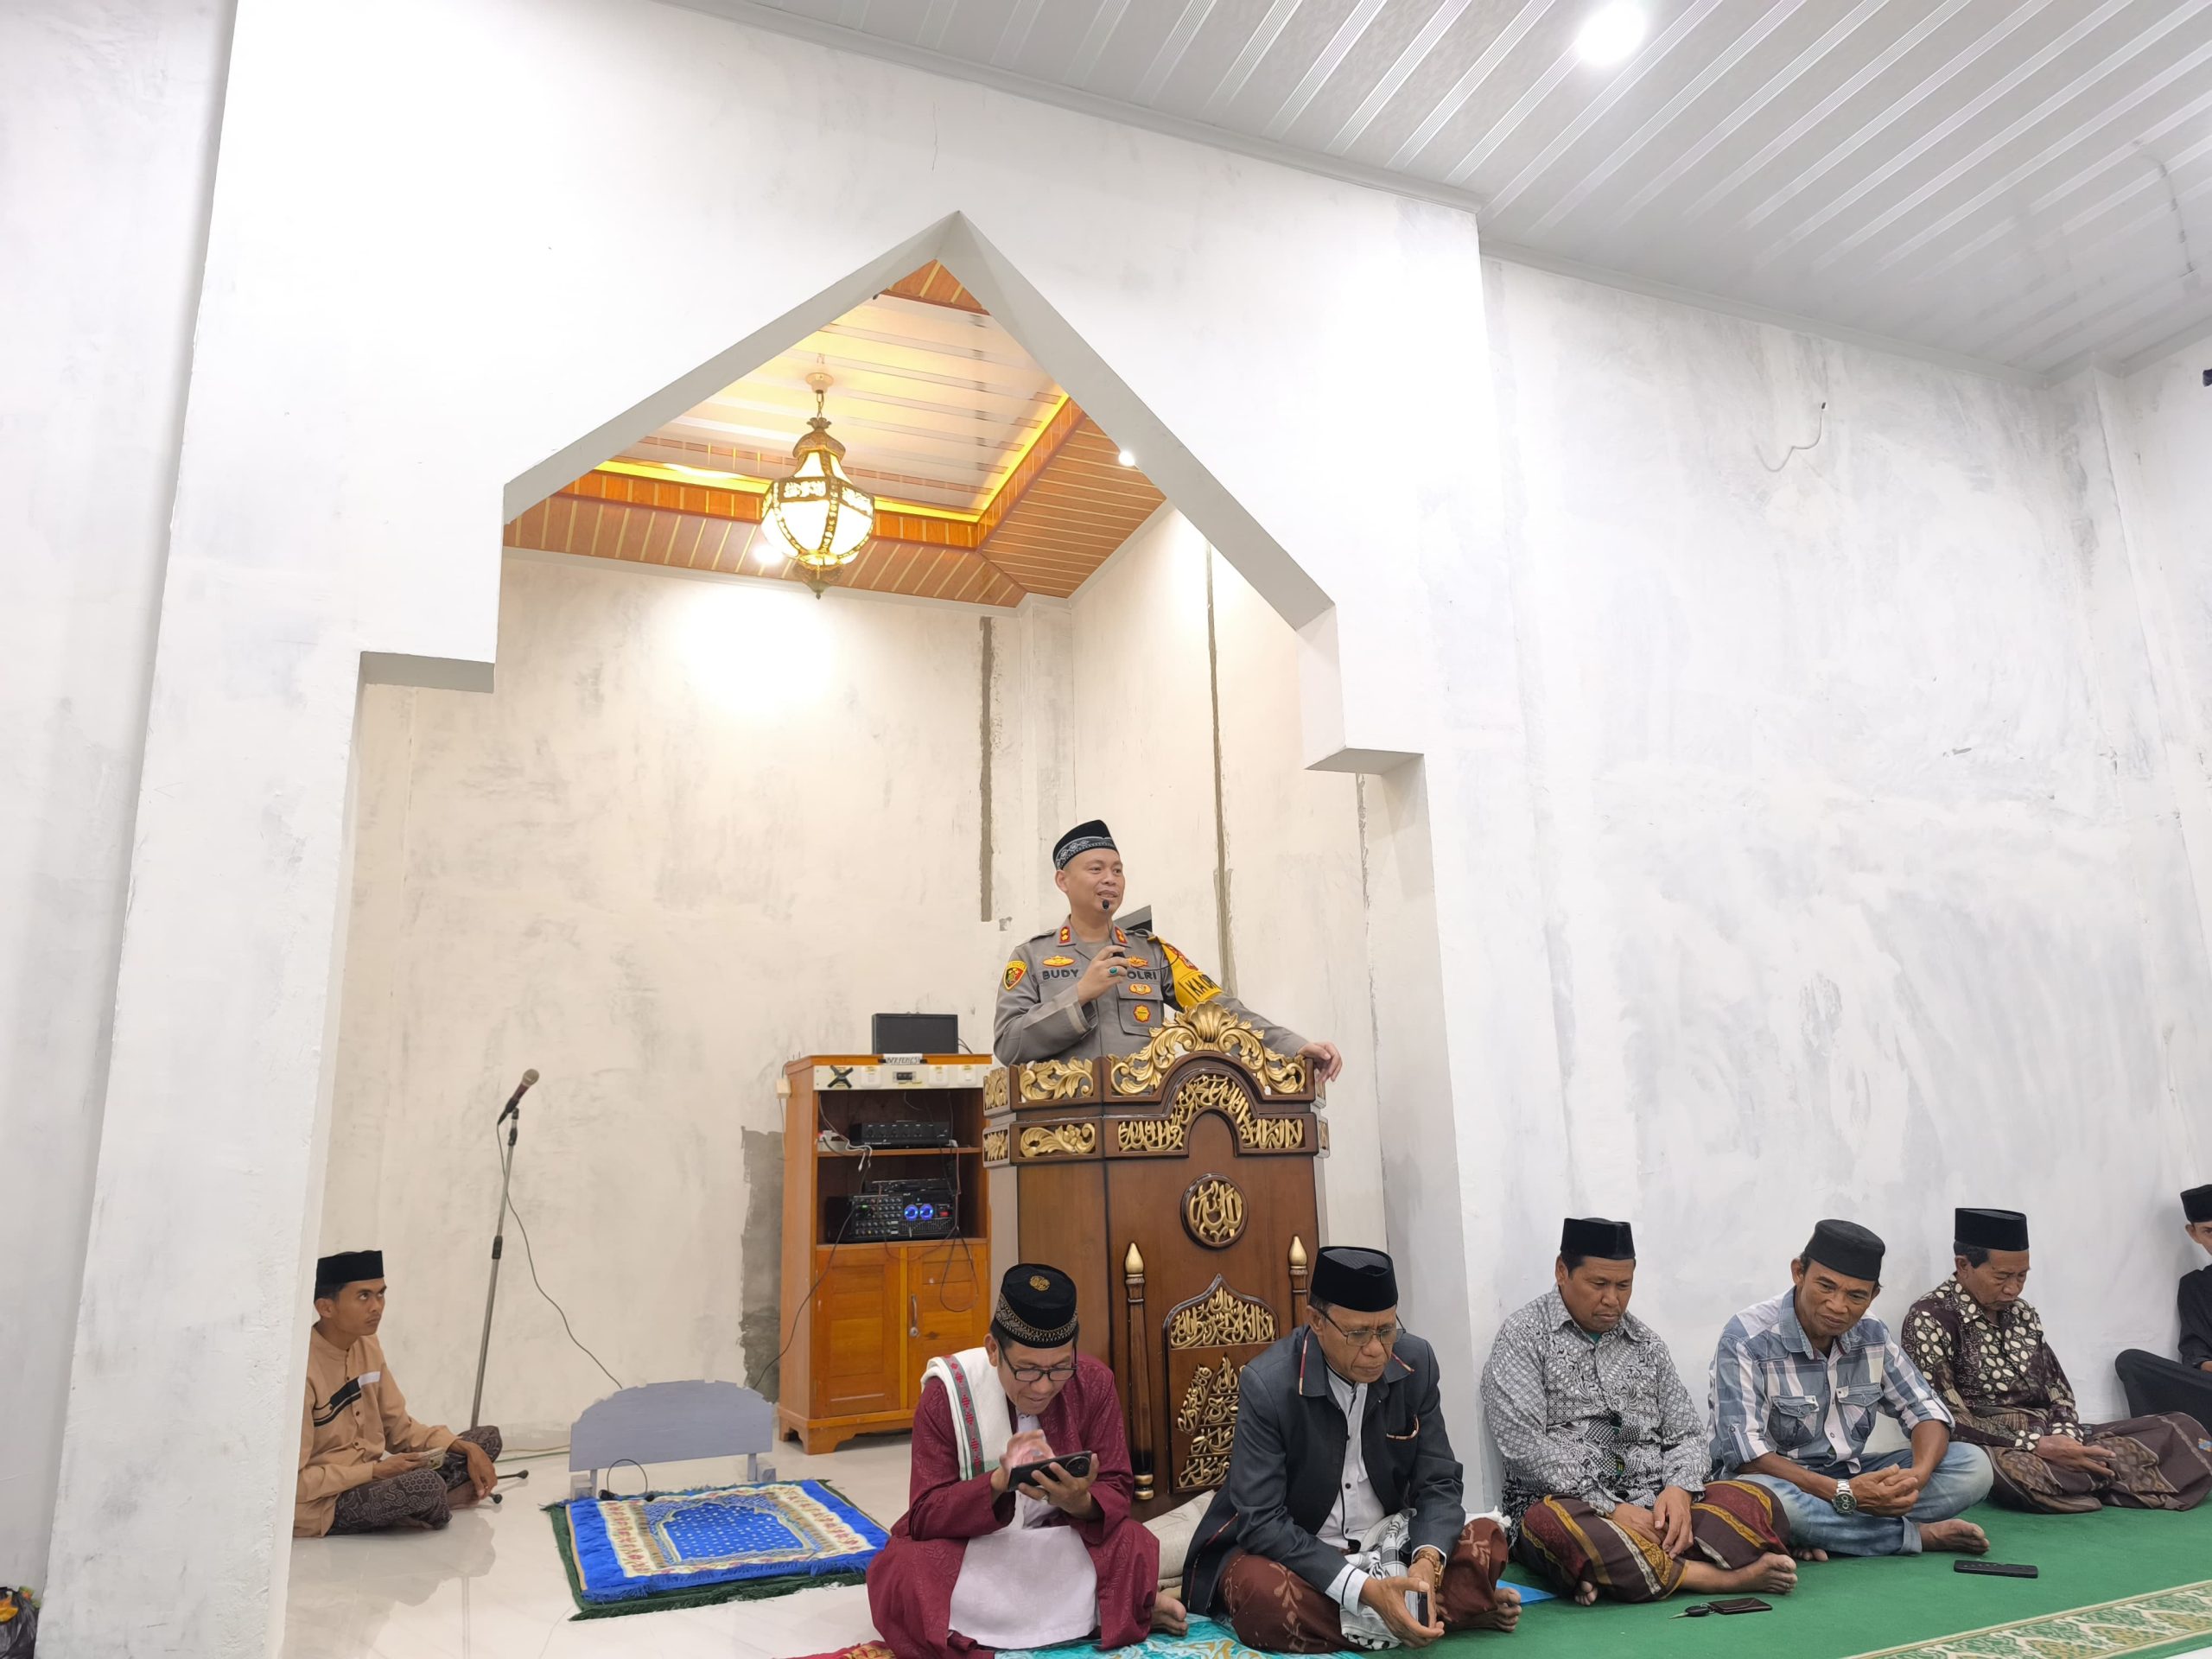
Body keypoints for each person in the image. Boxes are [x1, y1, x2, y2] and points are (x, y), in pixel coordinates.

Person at [1182, 1247, 1519, 1651]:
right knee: (1262, 1596)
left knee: (1486, 1540)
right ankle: (1436, 1614)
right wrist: (1365, 1591)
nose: (1376, 1349)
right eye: (1358, 1334)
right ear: (1316, 1322)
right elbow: (1263, 1521)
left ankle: (1409, 1609)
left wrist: (1426, 1565)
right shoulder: (1269, 1384)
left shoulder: (1415, 1362)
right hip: (1303, 1553)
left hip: (1390, 1540)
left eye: (1386, 1329)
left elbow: (1439, 1481)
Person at [867, 1263, 1179, 1659]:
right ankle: (1112, 1611)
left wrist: (1079, 1501)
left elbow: (1118, 1487)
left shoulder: (1094, 1382)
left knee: (1130, 1542)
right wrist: (997, 1483)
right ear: (993, 1350)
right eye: (1028, 1370)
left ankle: (1104, 1610)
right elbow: (925, 1515)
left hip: (1060, 1541)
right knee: (905, 1570)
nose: (1044, 1386)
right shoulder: (947, 1393)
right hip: (975, 1550)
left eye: (1060, 1368)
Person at [1483, 1217, 1795, 1605]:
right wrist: (1611, 1508)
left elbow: (1686, 1434)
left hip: (1655, 1503)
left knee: (1759, 1501)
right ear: (1562, 1271)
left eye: (1623, 1285)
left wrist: (1679, 1491)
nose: (1612, 1299)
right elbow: (1524, 1445)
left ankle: (1618, 1571)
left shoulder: (1647, 1345)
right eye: (1599, 1284)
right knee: (1557, 1528)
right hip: (1573, 1505)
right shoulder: (1523, 1337)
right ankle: (1712, 1577)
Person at [1709, 1219, 1992, 1560]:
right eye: (1826, 1287)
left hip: (1853, 1475)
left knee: (1973, 1467)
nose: (1838, 1306)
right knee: (1768, 1501)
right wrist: (1842, 1493)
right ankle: (1914, 1535)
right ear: (1799, 1273)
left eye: (1856, 1296)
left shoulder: (1872, 1332)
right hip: (1781, 1482)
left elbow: (1924, 1409)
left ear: (1873, 1295)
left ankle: (1825, 1533)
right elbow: (1746, 1456)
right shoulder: (1746, 1338)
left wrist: (1915, 1479)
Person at [1902, 1206, 2210, 1514]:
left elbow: (2058, 1391)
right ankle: (2100, 1476)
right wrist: (2035, 1444)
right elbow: (1944, 1416)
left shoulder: (2022, 1313)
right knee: (2001, 1471)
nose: (2013, 1289)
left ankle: (2082, 1477)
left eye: (2022, 1276)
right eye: (2002, 1277)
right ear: (1963, 1265)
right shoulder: (1930, 1318)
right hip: (1996, 1446)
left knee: (2184, 1429)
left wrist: (2066, 1436)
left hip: (2052, 1436)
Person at [993, 819, 1343, 1079]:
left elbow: (1220, 1011)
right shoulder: (1031, 957)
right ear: (1063, 880)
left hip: (1143, 1126)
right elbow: (1008, 1044)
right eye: (1096, 869)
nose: (1110, 879)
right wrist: (1080, 994)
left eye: (1117, 870)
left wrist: (1293, 1046)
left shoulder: (1154, 954)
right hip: (1062, 1129)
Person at [296, 1249, 501, 1537]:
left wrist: (464, 1448)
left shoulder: (367, 1344)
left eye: (381, 1294)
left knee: (486, 1440)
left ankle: (423, 1504)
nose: (377, 1307)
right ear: (326, 1307)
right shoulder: (300, 1370)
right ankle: (436, 1500)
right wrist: (373, 1472)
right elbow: (294, 1483)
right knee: (424, 1486)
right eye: (364, 1296)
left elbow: (399, 1429)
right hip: (326, 1500)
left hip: (378, 1477)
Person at [2115, 1185, 2212, 1421]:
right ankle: (2170, 1436)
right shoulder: (2195, 1286)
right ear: (2193, 1234)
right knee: (2132, 1363)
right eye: (2209, 1231)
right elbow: (2195, 1353)